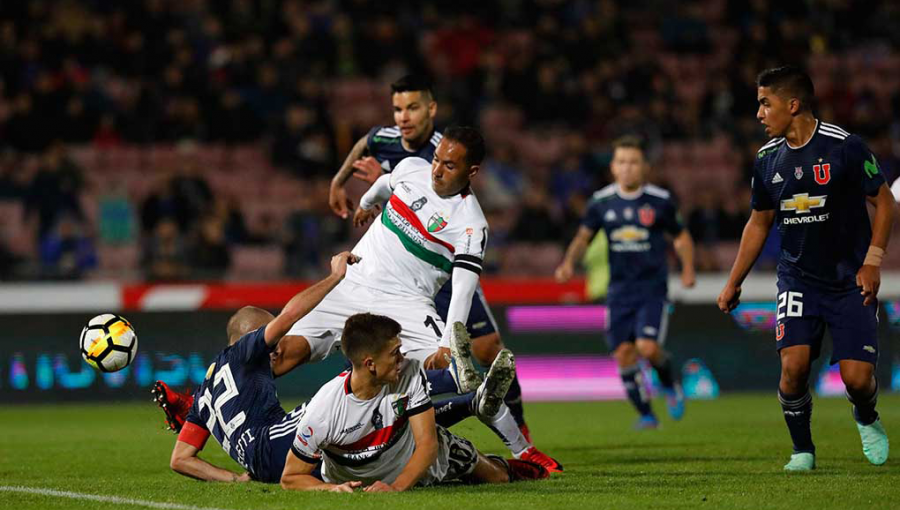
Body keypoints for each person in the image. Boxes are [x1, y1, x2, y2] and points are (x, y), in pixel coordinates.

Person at [287, 125, 560, 469]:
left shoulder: (471, 225)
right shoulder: (413, 168)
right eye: (436, 159)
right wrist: (368, 204)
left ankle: (522, 448)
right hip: (353, 282)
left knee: (452, 372)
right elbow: (386, 184)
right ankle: (246, 421)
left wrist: (449, 341)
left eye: (449, 165)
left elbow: (462, 288)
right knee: (284, 352)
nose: (436, 169)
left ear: (471, 172)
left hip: (407, 303)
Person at [328, 74, 541, 456]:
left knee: (487, 348)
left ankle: (515, 423)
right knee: (417, 364)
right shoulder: (389, 142)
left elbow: (460, 250)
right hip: (398, 275)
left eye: (412, 108)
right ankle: (459, 413)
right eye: (397, 109)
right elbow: (366, 147)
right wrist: (339, 181)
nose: (404, 117)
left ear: (431, 109)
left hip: (444, 267)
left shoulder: (444, 149)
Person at [717, 66, 894, 471]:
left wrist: (872, 261)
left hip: (850, 281)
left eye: (765, 103)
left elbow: (885, 202)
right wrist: (733, 282)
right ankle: (802, 451)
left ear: (792, 104)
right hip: (798, 280)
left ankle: (865, 415)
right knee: (793, 370)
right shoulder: (766, 160)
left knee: (858, 380)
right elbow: (759, 222)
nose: (759, 114)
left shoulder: (844, 146)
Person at [280, 313, 548, 492]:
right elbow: (290, 478)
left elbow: (427, 444)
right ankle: (470, 400)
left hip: (410, 453)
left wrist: (395, 489)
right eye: (394, 353)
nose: (402, 357)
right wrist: (332, 489)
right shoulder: (323, 411)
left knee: (495, 478)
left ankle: (510, 466)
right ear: (370, 364)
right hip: (356, 477)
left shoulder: (409, 371)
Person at [164, 251, 358, 483]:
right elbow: (291, 314)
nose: (276, 347)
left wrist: (235, 479)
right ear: (250, 336)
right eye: (272, 339)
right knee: (346, 385)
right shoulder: (244, 350)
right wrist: (335, 276)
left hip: (265, 467)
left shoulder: (203, 394)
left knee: (349, 446)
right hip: (273, 443)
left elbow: (180, 459)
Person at [555, 136, 696, 429]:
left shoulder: (660, 201)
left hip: (652, 290)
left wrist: (688, 268)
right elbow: (584, 237)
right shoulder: (601, 202)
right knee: (623, 354)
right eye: (621, 162)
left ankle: (670, 383)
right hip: (618, 291)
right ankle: (646, 414)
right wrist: (569, 262)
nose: (627, 168)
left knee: (647, 348)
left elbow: (680, 236)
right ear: (613, 167)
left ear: (645, 167)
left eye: (633, 162)